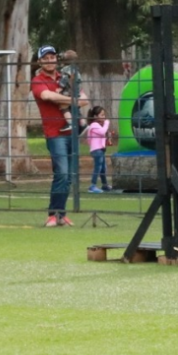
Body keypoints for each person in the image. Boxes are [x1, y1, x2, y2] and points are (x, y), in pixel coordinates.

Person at [30, 44, 89, 227]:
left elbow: (85, 99)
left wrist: (71, 99)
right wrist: (73, 100)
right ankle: (53, 214)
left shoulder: (65, 75)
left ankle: (61, 214)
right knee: (62, 173)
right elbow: (48, 97)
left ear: (57, 58)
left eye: (52, 57)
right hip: (54, 133)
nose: (49, 61)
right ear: (40, 61)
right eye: (45, 58)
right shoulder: (37, 80)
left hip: (72, 133)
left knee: (69, 175)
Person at [56, 50, 85, 133]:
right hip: (77, 91)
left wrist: (60, 87)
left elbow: (65, 79)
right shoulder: (76, 68)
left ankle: (70, 123)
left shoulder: (66, 69)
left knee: (63, 107)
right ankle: (83, 124)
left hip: (69, 91)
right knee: (76, 108)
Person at [85, 105, 112, 193]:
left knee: (103, 168)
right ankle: (92, 186)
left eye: (104, 115)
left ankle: (104, 185)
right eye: (101, 115)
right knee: (98, 167)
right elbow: (102, 132)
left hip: (100, 149)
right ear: (95, 116)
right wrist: (107, 123)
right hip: (97, 150)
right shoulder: (94, 125)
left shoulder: (98, 125)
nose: (104, 117)